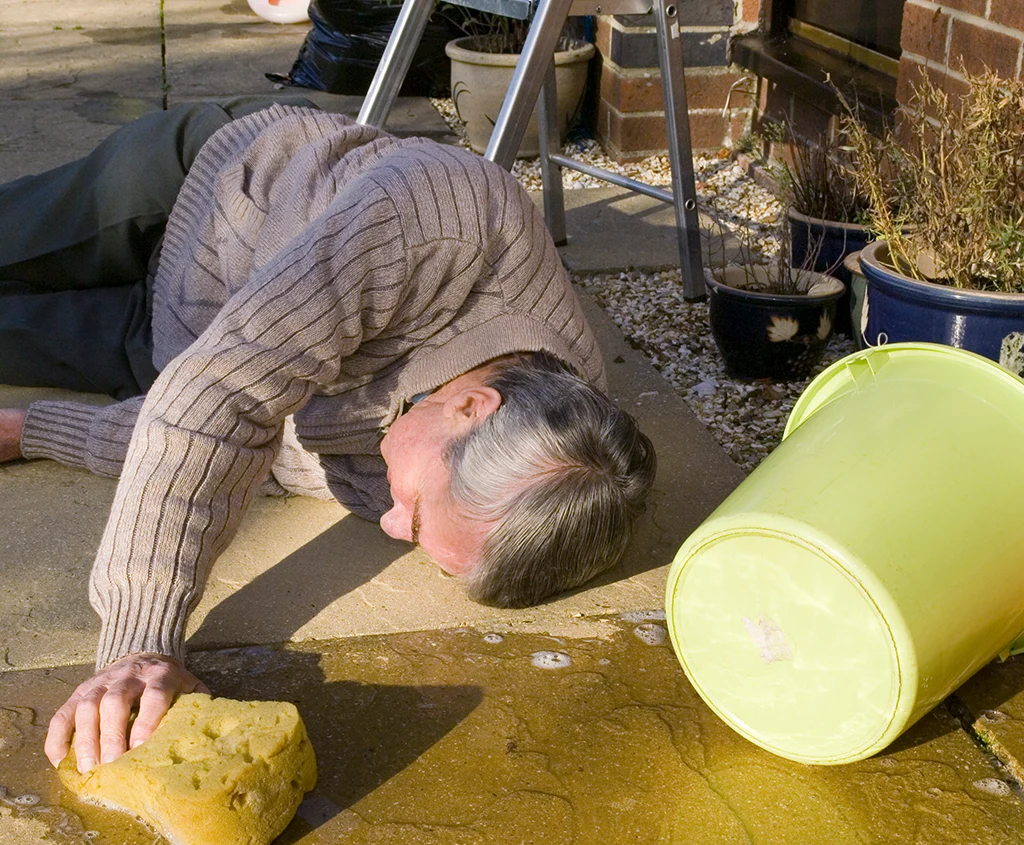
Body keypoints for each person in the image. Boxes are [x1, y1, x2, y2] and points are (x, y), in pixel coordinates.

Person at [0, 99, 656, 776]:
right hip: (204, 194)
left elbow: (251, 449)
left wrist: (33, 431)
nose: (390, 523)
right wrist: (139, 647)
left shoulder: (506, 463)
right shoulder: (443, 221)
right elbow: (223, 396)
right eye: (417, 509)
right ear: (469, 406)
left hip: (165, 344)